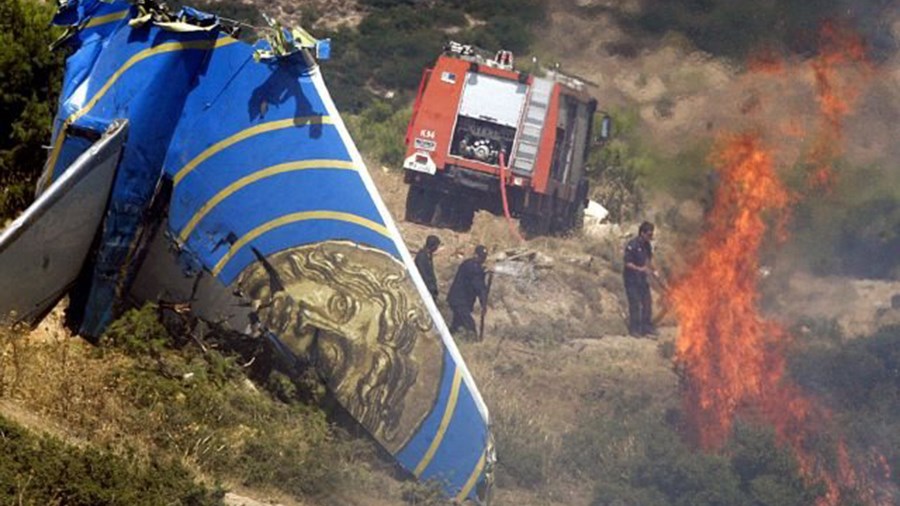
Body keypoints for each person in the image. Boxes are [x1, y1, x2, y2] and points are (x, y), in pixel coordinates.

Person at [623, 221, 658, 337]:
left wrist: (654, 270)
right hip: (631, 280)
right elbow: (627, 263)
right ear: (642, 233)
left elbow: (648, 260)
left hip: (642, 280)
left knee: (647, 303)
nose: (650, 237)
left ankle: (646, 327)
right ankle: (634, 329)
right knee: (635, 304)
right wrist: (640, 269)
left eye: (652, 234)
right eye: (649, 234)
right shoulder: (632, 245)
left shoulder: (647, 245)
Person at [447, 245, 488, 337]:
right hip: (460, 301)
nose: (482, 260)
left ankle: (447, 338)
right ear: (476, 255)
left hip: (460, 300)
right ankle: (473, 342)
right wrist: (483, 303)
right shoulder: (472, 267)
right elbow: (479, 287)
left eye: (483, 258)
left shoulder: (470, 264)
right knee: (470, 325)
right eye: (481, 257)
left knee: (456, 324)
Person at [414, 235, 441, 299]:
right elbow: (423, 274)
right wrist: (430, 288)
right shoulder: (422, 257)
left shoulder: (428, 255)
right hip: (424, 288)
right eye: (436, 246)